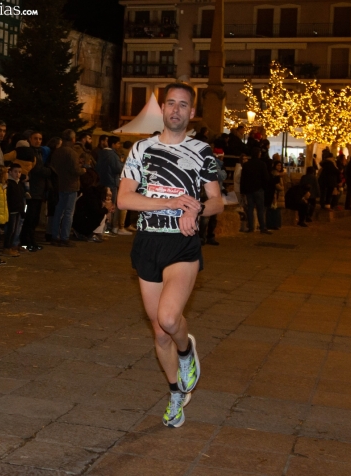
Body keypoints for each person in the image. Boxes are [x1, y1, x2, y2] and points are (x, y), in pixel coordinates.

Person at [117, 82, 223, 428]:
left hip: (181, 244)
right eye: (170, 103)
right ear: (163, 109)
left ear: (191, 113)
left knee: (169, 319)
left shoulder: (202, 152)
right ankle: (176, 391)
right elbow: (125, 200)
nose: (175, 110)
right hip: (148, 242)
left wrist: (197, 210)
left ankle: (186, 351)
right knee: (158, 331)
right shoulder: (141, 149)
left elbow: (218, 200)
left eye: (183, 105)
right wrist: (170, 203)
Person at [50, 129, 85, 247]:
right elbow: (75, 170)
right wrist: (83, 170)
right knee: (69, 213)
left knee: (58, 211)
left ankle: (55, 235)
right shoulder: (72, 153)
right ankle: (64, 237)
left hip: (59, 184)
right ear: (73, 139)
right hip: (71, 185)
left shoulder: (57, 152)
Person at [96, 136, 129, 235]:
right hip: (111, 182)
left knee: (103, 204)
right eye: (118, 143)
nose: (119, 146)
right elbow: (118, 169)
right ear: (113, 144)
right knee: (110, 206)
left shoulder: (101, 153)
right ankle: (107, 228)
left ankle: (103, 227)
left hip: (102, 181)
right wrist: (123, 164)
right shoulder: (112, 155)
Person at [240, 147, 272, 234]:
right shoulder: (262, 164)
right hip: (259, 189)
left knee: (250, 208)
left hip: (249, 189)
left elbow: (243, 179)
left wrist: (242, 190)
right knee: (260, 209)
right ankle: (262, 227)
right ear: (258, 154)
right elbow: (266, 177)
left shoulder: (246, 165)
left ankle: (251, 227)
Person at [3, 163, 25, 257]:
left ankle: (11, 246)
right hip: (11, 210)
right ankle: (6, 247)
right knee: (10, 230)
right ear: (10, 172)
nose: (18, 174)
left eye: (19, 172)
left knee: (14, 229)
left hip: (17, 210)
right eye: (15, 172)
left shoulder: (19, 183)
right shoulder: (9, 184)